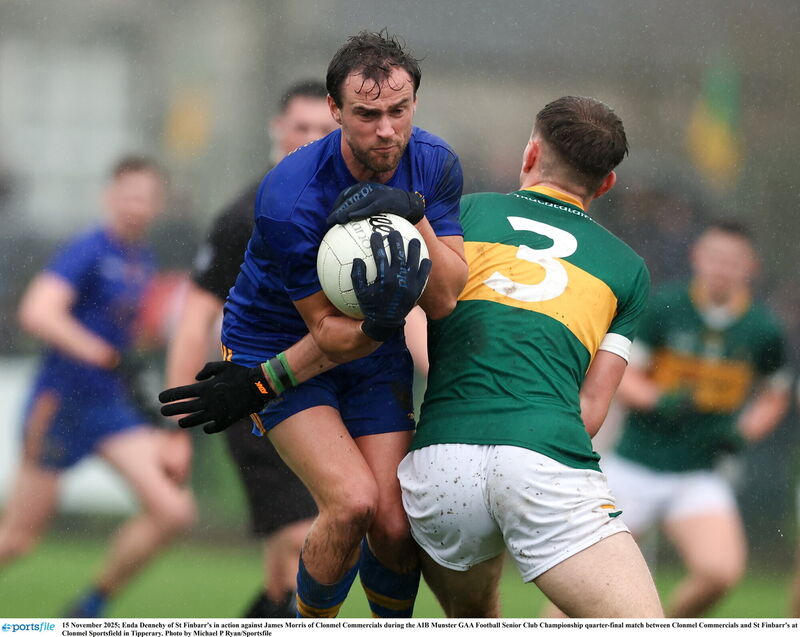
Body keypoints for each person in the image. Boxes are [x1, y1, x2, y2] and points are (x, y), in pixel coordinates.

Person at [161, 30, 466, 618]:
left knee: (398, 528)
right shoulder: (289, 196)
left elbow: (447, 298)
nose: (386, 130)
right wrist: (261, 381)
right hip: (277, 348)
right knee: (352, 504)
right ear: (335, 111)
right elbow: (328, 335)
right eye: (367, 113)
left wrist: (412, 215)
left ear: (415, 104)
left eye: (399, 111)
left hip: (372, 354)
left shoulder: (433, 164)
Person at [393, 96, 663, 618]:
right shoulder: (627, 268)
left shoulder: (464, 214)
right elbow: (590, 411)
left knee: (474, 620)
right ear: (605, 185)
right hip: (543, 455)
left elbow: (413, 320)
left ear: (531, 153)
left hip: (440, 463)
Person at [165, 80, 337, 618]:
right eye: (301, 128)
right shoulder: (245, 215)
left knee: (290, 570)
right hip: (253, 399)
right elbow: (194, 317)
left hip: (321, 396)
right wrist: (177, 422)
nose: (310, 141)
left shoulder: (353, 214)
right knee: (305, 541)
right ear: (277, 132)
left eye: (324, 132)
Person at [0, 157, 196, 617]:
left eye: (146, 198)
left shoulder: (142, 258)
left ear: (158, 205)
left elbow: (128, 336)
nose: (137, 206)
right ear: (108, 197)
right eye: (129, 195)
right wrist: (102, 354)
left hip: (109, 409)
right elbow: (37, 312)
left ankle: (87, 609)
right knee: (19, 539)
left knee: (173, 511)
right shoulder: (88, 249)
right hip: (60, 406)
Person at [602, 221, 790, 618]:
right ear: (697, 258)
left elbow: (775, 395)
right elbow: (623, 374)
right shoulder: (665, 306)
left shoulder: (763, 329)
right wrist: (660, 400)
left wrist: (743, 432)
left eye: (733, 260)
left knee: (719, 572)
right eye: (715, 257)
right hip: (634, 464)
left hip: (697, 472)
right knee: (590, 584)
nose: (722, 268)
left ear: (750, 266)